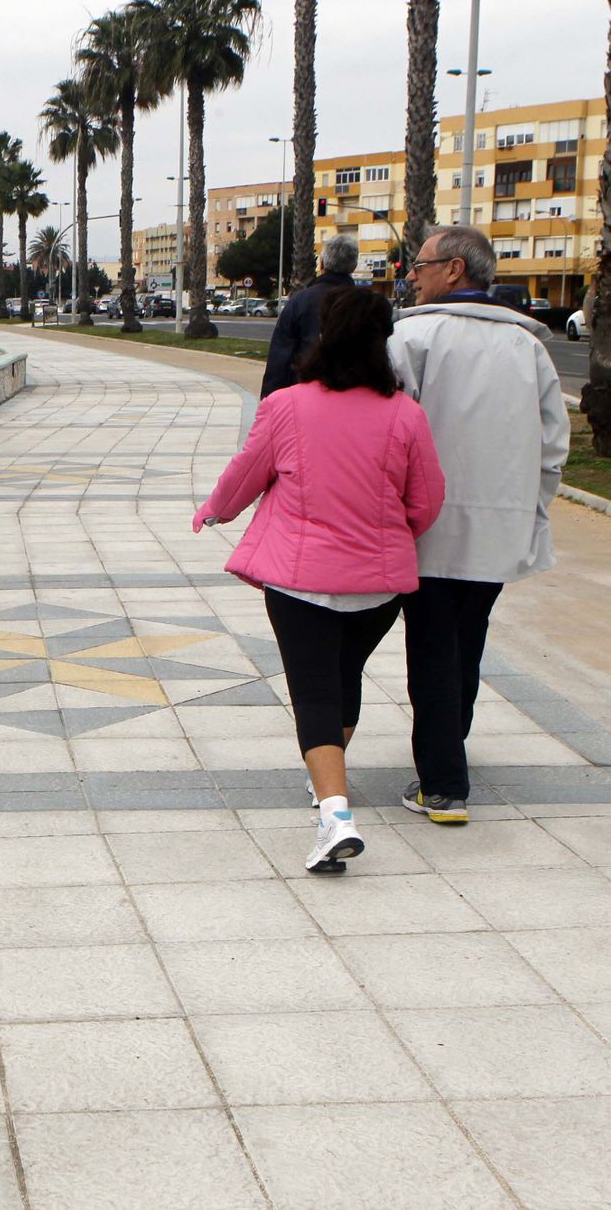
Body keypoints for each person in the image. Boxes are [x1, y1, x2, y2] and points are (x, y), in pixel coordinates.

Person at [195, 287, 444, 872]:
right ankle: (325, 777)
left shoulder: (286, 405)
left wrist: (215, 510)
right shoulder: (406, 414)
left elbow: (245, 475)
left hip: (299, 583)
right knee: (342, 675)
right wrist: (387, 531)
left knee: (313, 692)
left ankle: (334, 816)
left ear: (322, 336)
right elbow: (427, 502)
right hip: (378, 587)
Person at [389, 226, 569, 825]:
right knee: (467, 641)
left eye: (419, 265)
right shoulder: (529, 348)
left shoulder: (414, 336)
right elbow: (553, 446)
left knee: (434, 648)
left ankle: (443, 783)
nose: (410, 275)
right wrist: (531, 509)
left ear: (455, 271)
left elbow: (389, 429)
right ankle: (449, 748)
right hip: (500, 524)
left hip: (429, 525)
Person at [259, 234, 360, 398]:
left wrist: (269, 401)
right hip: (355, 398)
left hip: (305, 395)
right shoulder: (367, 305)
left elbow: (281, 358)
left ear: (321, 263)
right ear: (354, 266)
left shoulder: (299, 302)